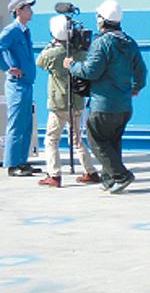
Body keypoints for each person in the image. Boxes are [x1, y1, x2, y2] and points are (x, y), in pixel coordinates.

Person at [65, 0, 146, 194]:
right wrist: (135, 87)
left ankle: (121, 176)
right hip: (124, 105)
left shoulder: (101, 43)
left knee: (96, 141)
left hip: (103, 104)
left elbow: (92, 71)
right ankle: (109, 180)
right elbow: (141, 70)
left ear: (102, 20)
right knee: (112, 142)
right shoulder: (129, 42)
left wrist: (72, 66)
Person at [36, 15, 101, 187]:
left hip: (59, 103)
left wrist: (54, 42)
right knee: (76, 138)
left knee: (51, 139)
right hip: (77, 102)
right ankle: (90, 171)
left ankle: (54, 174)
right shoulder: (80, 52)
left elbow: (39, 60)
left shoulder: (53, 53)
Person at [1, 0, 40, 177]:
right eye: (27, 8)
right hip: (16, 85)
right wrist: (7, 69)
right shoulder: (11, 31)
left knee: (25, 125)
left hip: (26, 83)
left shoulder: (24, 30)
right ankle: (12, 164)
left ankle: (22, 162)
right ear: (18, 11)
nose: (31, 11)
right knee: (16, 124)